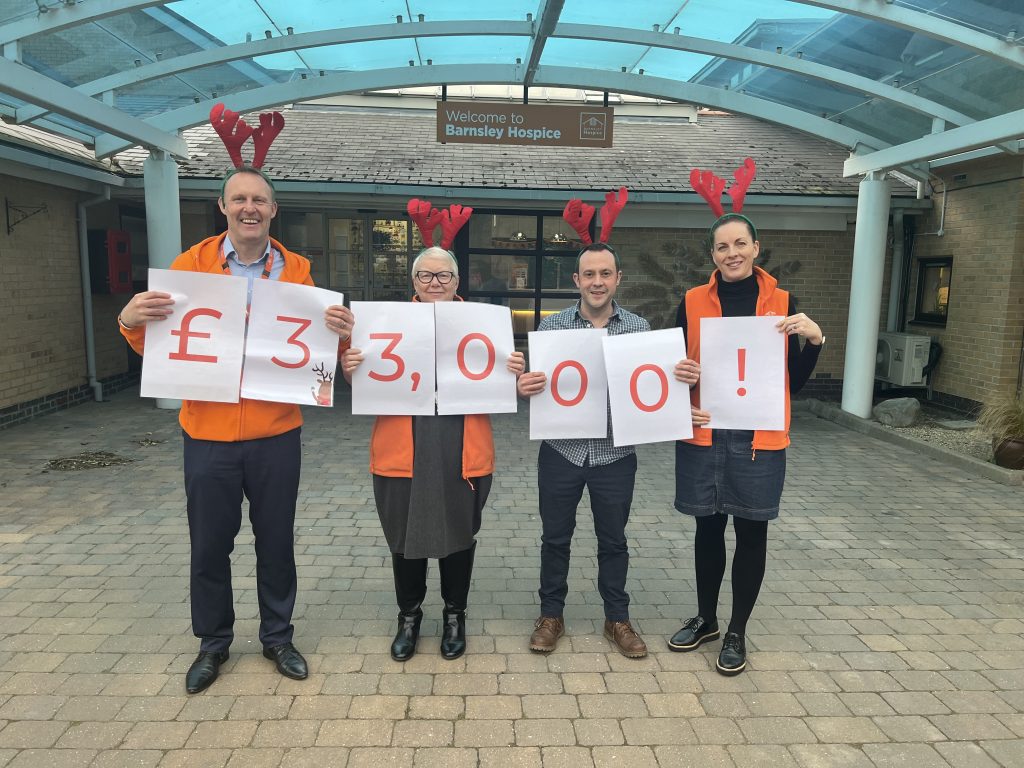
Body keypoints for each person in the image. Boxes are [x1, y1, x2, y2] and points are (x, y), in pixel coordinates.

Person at [117, 164, 353, 693]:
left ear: (273, 210)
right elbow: (160, 346)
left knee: (275, 543)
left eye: (260, 200)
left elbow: (319, 354)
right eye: (239, 199)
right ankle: (213, 644)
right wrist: (130, 320)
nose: (250, 208)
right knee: (208, 546)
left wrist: (341, 337)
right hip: (206, 433)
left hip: (276, 434)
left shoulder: (297, 272)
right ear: (222, 207)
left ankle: (277, 637)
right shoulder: (190, 267)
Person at [341, 246, 525, 661]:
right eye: (426, 276)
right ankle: (409, 615)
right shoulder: (385, 324)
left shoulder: (482, 324)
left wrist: (512, 372)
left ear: (458, 283)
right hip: (402, 440)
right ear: (414, 282)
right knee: (403, 530)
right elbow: (364, 382)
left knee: (459, 528)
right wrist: (351, 369)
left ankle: (455, 614)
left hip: (461, 439)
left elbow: (503, 385)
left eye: (444, 276)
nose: (435, 283)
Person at [517, 243, 700, 658]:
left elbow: (654, 385)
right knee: (554, 538)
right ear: (576, 280)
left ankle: (617, 618)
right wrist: (523, 389)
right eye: (589, 274)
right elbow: (540, 390)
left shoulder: (638, 329)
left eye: (605, 273)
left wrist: (681, 380)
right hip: (561, 451)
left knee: (613, 540)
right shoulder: (552, 329)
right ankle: (551, 616)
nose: (597, 282)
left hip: (615, 455)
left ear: (618, 279)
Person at [668, 212, 823, 675]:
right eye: (721, 247)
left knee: (752, 532)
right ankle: (707, 619)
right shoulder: (692, 300)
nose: (731, 253)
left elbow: (790, 383)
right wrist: (681, 380)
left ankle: (737, 630)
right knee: (707, 529)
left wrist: (814, 341)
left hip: (759, 438)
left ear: (757, 248)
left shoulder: (783, 302)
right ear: (712, 254)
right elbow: (673, 367)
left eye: (739, 244)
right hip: (705, 431)